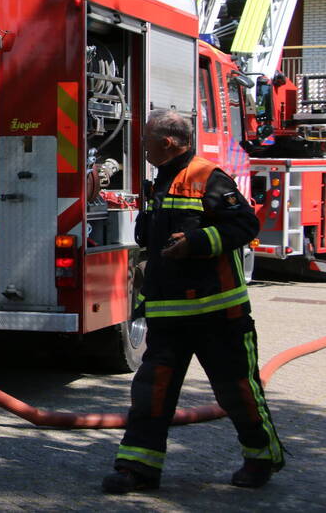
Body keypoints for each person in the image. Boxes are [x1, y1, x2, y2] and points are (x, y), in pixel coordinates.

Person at [102, 109, 284, 494]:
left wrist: (197, 243)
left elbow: (245, 225)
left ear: (166, 143)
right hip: (169, 317)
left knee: (238, 391)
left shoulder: (209, 178)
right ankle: (137, 468)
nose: (142, 146)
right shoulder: (162, 181)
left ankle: (261, 457)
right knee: (150, 394)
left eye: (147, 139)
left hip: (219, 315)